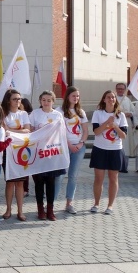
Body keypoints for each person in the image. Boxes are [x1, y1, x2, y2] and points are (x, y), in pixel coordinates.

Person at [90, 90, 128, 215]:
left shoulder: (121, 116)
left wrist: (115, 126)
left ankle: (110, 205)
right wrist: (107, 123)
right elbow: (96, 132)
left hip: (115, 150)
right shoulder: (98, 113)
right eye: (108, 97)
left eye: (113, 97)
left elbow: (123, 136)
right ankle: (96, 203)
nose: (111, 99)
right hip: (100, 149)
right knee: (98, 178)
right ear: (104, 99)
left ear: (115, 100)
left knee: (113, 178)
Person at [29, 91, 65, 221]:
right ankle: (40, 210)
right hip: (38, 153)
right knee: (39, 182)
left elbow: (61, 133)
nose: (46, 102)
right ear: (40, 101)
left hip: (52, 153)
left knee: (50, 182)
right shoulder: (35, 114)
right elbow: (30, 130)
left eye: (49, 100)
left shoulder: (58, 115)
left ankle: (50, 210)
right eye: (44, 100)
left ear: (53, 101)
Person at [56, 86, 89, 214]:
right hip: (64, 147)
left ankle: (69, 203)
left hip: (78, 148)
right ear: (68, 97)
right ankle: (51, 203)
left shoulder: (80, 112)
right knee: (59, 176)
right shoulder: (60, 111)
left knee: (73, 176)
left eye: (78, 96)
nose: (76, 98)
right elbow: (59, 131)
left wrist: (81, 143)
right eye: (73, 95)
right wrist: (69, 144)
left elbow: (85, 131)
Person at [1, 89, 31, 221]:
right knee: (10, 183)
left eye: (19, 99)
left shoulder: (23, 114)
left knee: (20, 183)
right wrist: (16, 131)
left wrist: (11, 130)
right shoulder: (3, 114)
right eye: (14, 99)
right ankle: (8, 209)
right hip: (7, 151)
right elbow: (2, 130)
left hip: (21, 150)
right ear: (8, 100)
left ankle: (20, 211)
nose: (18, 101)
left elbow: (27, 130)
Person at [115, 83, 138, 158]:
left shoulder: (127, 99)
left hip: (127, 123)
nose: (120, 90)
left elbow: (134, 111)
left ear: (124, 90)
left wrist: (130, 113)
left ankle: (124, 165)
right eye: (118, 88)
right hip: (116, 124)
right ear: (116, 89)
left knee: (126, 144)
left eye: (122, 89)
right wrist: (121, 115)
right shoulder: (113, 99)